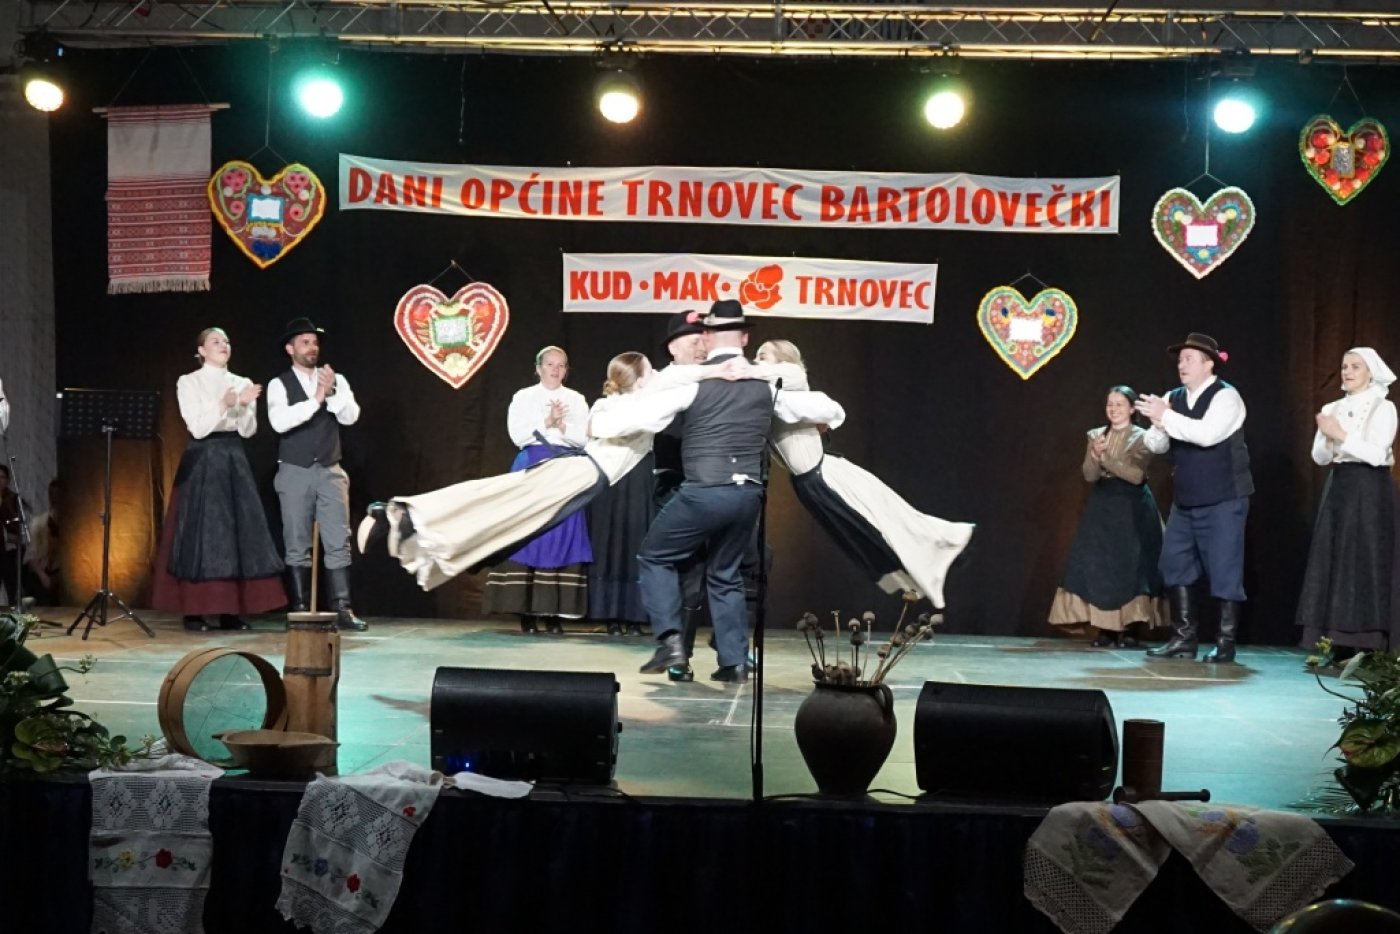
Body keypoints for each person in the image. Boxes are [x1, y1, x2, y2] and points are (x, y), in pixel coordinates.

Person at [358, 352, 798, 589]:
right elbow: (628, 411)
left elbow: (675, 380)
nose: (656, 377)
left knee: (505, 525)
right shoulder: (619, 405)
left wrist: (725, 369)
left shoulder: (643, 401)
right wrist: (714, 370)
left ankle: (415, 535)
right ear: (636, 379)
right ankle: (401, 515)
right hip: (579, 473)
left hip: (584, 481)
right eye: (649, 373)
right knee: (498, 500)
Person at [593, 300, 774, 683]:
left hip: (712, 486)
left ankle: (724, 654)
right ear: (673, 347)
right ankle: (681, 656)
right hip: (679, 485)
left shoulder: (726, 377)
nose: (699, 344)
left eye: (701, 337)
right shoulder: (671, 381)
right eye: (691, 339)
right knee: (689, 577)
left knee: (728, 570)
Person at [754, 340, 974, 610]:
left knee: (883, 524)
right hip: (811, 482)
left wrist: (735, 368)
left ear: (783, 360)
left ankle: (948, 547)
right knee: (862, 537)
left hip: (826, 476)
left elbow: (786, 383)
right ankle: (915, 577)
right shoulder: (768, 388)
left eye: (763, 355)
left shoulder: (790, 375)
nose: (757, 360)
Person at [151, 328, 286, 630]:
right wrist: (224, 404)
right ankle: (195, 611)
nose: (224, 345)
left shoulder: (241, 381)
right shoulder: (189, 381)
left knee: (236, 532)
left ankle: (230, 611)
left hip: (233, 457)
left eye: (226, 341)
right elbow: (198, 428)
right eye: (216, 341)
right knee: (202, 533)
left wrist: (245, 405)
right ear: (201, 350)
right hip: (203, 457)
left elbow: (248, 431)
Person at [1136, 333, 1253, 664]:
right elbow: (1155, 445)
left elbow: (1206, 435)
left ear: (1208, 364)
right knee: (1174, 564)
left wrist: (1166, 416)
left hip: (1223, 498)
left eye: (1189, 359)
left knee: (1224, 569)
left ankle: (1225, 642)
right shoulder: (1172, 398)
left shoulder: (1226, 396)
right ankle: (1183, 639)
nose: (1181, 364)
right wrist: (1158, 424)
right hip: (1186, 500)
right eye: (1180, 360)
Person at [1296, 348, 1400, 659]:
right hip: (1340, 485)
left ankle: (1368, 642)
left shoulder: (1384, 407)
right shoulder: (1332, 407)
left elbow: (1377, 454)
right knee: (1335, 559)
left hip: (1370, 489)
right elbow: (1319, 457)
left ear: (1370, 372)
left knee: (1366, 559)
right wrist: (1328, 438)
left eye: (1355, 366)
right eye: (1344, 366)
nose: (1348, 372)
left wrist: (1340, 434)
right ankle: (1335, 640)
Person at [481, 346, 592, 634]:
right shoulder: (524, 397)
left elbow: (585, 439)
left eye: (561, 365)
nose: (555, 370)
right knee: (530, 533)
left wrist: (562, 425)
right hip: (532, 463)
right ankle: (526, 612)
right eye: (550, 364)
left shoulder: (576, 399)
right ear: (539, 368)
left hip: (566, 466)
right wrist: (546, 422)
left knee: (560, 532)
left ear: (566, 370)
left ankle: (554, 613)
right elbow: (518, 435)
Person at [267, 317, 365, 631]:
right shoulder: (279, 384)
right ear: (290, 348)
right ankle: (298, 610)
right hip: (295, 470)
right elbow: (280, 423)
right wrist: (316, 400)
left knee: (338, 540)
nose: (312, 347)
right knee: (297, 542)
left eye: (314, 342)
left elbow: (351, 417)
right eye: (305, 342)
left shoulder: (336, 379)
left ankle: (342, 608)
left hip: (330, 470)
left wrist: (331, 391)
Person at [1048, 386, 1164, 647]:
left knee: (1134, 566)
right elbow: (1090, 475)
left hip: (1133, 507)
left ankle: (1132, 629)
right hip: (1103, 507)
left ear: (1132, 409)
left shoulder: (1143, 437)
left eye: (1119, 404)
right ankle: (1106, 629)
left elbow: (1136, 476)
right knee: (1102, 565)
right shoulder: (1096, 435)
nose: (1113, 409)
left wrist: (1105, 458)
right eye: (1110, 404)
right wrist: (1093, 455)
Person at [23, 479, 63, 606]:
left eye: (58, 495)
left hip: (62, 574)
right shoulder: (38, 522)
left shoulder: (72, 524)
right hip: (42, 572)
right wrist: (43, 576)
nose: (54, 499)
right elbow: (31, 555)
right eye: (52, 494)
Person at [0, 464, 22, 608]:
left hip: (9, 549)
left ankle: (14, 612)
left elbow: (17, 524)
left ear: (7, 480)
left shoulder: (13, 498)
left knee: (11, 586)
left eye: (2, 477)